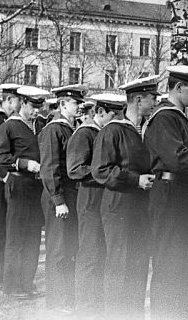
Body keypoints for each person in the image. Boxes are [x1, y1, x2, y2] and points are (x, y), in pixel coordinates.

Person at [143, 65, 188, 320]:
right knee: (170, 265)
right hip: (170, 194)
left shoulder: (184, 118)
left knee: (187, 266)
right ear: (178, 87)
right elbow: (178, 158)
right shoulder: (165, 118)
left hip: (186, 192)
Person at [91, 76, 160, 318]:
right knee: (120, 267)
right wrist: (135, 180)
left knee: (138, 267)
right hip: (119, 209)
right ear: (138, 100)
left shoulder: (147, 130)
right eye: (153, 98)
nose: (156, 102)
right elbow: (100, 170)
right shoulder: (113, 130)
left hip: (142, 208)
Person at [68, 93, 126, 316]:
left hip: (104, 197)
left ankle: (97, 304)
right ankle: (86, 308)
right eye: (114, 114)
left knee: (102, 251)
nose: (117, 119)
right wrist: (105, 174)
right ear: (100, 112)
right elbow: (75, 169)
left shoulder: (105, 133)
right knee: (90, 252)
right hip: (90, 197)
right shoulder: (85, 133)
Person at [39, 84, 88, 313]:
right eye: (75, 103)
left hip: (70, 194)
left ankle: (67, 298)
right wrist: (58, 200)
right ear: (62, 104)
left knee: (69, 247)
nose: (79, 107)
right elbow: (50, 168)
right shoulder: (54, 129)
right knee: (59, 249)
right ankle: (57, 302)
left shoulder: (71, 128)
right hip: (57, 196)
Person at [0, 86, 48, 299]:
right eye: (33, 107)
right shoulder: (9, 127)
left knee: (33, 237)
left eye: (39, 107)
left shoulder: (40, 126)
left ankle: (27, 283)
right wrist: (24, 163)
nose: (36, 111)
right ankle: (12, 286)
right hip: (18, 186)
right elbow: (0, 157)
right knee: (17, 236)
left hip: (36, 188)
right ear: (23, 104)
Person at [0, 83, 21, 291]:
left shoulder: (6, 121)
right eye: (17, 101)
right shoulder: (0, 121)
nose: (19, 106)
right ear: (8, 101)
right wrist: (4, 175)